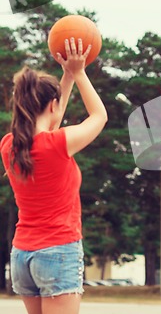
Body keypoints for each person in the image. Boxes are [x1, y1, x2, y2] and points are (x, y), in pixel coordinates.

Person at [0, 37, 107, 314]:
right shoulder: (57, 144)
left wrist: (67, 76)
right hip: (58, 252)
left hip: (22, 256)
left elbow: (49, 125)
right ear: (52, 105)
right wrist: (80, 72)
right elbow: (98, 116)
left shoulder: (9, 145)